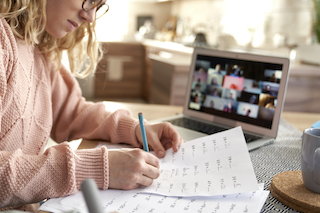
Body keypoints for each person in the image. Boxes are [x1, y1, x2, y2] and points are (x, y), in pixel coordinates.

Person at [0, 0, 183, 211]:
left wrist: (133, 129)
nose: (90, 17)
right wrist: (93, 168)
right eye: (88, 0)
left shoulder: (39, 48)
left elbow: (72, 112)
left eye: (98, 6)